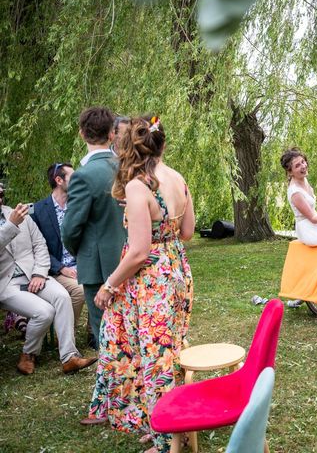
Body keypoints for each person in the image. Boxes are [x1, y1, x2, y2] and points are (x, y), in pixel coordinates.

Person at [83, 116, 194, 453]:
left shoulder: (137, 186)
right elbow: (186, 232)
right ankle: (171, 424)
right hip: (177, 272)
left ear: (128, 147)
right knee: (169, 351)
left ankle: (165, 440)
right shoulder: (176, 178)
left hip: (152, 282)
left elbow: (139, 253)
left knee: (155, 356)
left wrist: (108, 286)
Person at [0, 183, 96, 375]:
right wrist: (11, 225)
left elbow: (40, 246)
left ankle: (69, 357)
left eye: (1, 193)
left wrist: (39, 273)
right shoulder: (15, 219)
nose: (0, 198)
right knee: (44, 312)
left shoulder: (18, 213)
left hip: (34, 274)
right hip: (6, 282)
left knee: (63, 297)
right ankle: (28, 354)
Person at [62, 107, 126, 349]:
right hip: (129, 259)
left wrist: (81, 251)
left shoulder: (83, 176)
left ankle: (112, 384)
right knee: (128, 326)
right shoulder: (126, 168)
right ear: (111, 134)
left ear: (81, 134)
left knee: (105, 332)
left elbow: (70, 229)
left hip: (99, 267)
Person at [31, 163, 85, 327]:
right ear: (59, 180)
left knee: (102, 281)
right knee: (80, 291)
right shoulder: (38, 210)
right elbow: (36, 248)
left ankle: (94, 333)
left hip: (82, 263)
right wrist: (61, 268)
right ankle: (67, 333)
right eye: (73, 177)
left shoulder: (80, 204)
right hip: (56, 269)